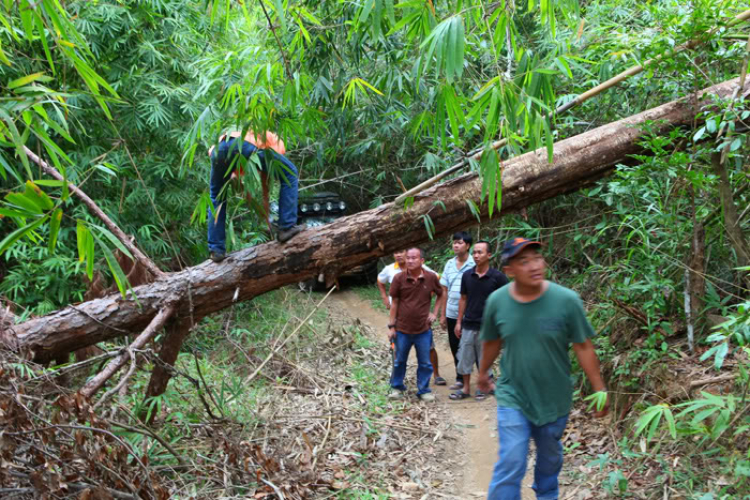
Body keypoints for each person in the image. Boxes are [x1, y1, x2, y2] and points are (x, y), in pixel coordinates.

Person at [478, 237, 609, 500]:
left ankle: (547, 495)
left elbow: (583, 346)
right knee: (512, 460)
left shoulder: (566, 300)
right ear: (510, 270)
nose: (534, 266)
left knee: (549, 459)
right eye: (524, 261)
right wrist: (482, 373)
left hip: (554, 398)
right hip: (513, 394)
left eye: (537, 258)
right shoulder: (497, 301)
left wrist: (599, 390)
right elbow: (492, 341)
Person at [207, 129, 302, 262]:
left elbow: (257, 184)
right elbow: (268, 180)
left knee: (216, 197)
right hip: (242, 145)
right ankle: (287, 226)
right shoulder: (278, 143)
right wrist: (281, 227)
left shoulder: (252, 136)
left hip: (218, 150)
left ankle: (216, 250)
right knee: (290, 173)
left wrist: (266, 216)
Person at [449, 241, 508, 401]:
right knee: (465, 357)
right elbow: (463, 299)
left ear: (489, 255)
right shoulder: (467, 275)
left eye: (480, 252)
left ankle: (483, 387)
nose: (476, 255)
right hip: (469, 323)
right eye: (474, 252)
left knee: (484, 358)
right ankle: (466, 388)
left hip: (488, 327)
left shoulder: (498, 277)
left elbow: (506, 300)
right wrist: (459, 322)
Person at [378, 250, 445, 385]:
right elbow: (395, 303)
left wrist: (434, 313)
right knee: (400, 360)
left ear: (422, 261)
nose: (410, 261)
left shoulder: (430, 277)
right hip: (402, 327)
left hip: (423, 328)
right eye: (408, 258)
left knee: (425, 361)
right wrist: (391, 326)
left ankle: (424, 389)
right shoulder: (398, 278)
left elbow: (441, 293)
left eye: (414, 258)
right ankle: (396, 386)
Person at [439, 231, 475, 390]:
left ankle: (485, 379)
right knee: (455, 345)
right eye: (454, 242)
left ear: (467, 246)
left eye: (459, 243)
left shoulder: (474, 263)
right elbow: (444, 291)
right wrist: (442, 314)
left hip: (471, 313)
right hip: (452, 312)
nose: (456, 245)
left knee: (475, 345)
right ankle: (460, 377)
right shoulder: (449, 264)